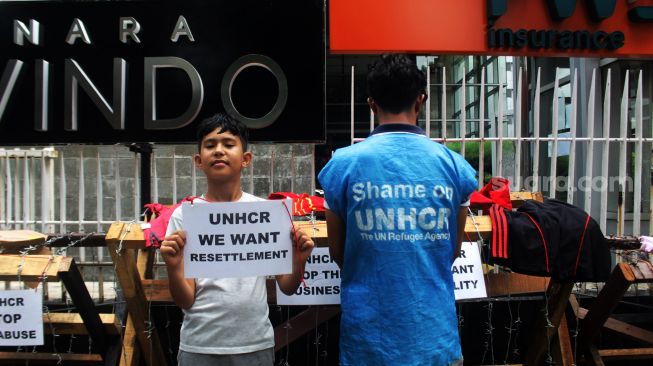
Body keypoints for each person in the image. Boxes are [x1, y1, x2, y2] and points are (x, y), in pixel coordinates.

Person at [318, 54, 477, 366]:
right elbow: (452, 249)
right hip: (435, 337)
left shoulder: (342, 165)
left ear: (371, 103)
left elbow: (339, 252)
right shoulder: (453, 166)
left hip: (368, 338)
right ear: (420, 101)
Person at [160, 113, 314, 366]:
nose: (219, 151)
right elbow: (185, 300)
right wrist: (173, 267)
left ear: (246, 159)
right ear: (199, 160)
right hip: (199, 344)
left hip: (255, 343)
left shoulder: (267, 212)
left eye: (228, 144)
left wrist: (298, 261)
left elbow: (288, 287)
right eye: (210, 145)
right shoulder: (184, 216)